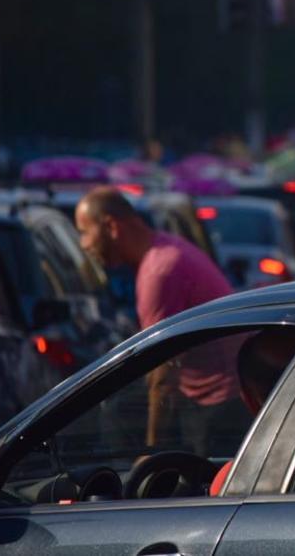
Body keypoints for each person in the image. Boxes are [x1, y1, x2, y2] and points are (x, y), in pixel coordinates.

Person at [75, 186, 243, 457]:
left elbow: (163, 372)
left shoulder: (159, 271)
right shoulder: (165, 249)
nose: (83, 245)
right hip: (219, 400)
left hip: (217, 408)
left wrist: (151, 452)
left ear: (111, 226)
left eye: (84, 232)